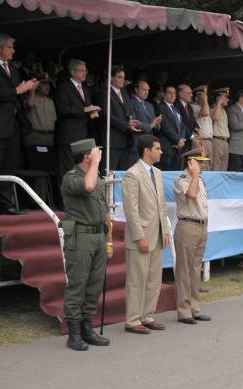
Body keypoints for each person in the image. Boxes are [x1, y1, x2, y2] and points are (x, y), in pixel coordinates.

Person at [60, 139, 112, 351]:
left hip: (98, 236)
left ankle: (87, 327)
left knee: (94, 285)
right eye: (95, 152)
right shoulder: (71, 178)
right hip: (80, 236)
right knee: (78, 285)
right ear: (87, 156)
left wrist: (108, 240)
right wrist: (95, 164)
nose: (99, 153)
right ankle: (73, 333)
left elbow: (106, 211)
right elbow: (88, 186)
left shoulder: (97, 178)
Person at [122, 135, 170, 334]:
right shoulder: (132, 174)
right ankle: (132, 320)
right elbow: (131, 210)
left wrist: (165, 231)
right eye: (157, 148)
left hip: (157, 234)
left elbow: (161, 206)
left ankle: (147, 315)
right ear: (146, 151)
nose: (161, 151)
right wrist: (139, 236)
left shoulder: (157, 173)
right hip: (140, 237)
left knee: (153, 279)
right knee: (136, 279)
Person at [0, 33, 38, 215]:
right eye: (9, 47)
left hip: (14, 124)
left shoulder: (14, 69)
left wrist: (27, 88)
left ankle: (5, 203)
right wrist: (16, 90)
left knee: (10, 164)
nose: (13, 50)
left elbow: (18, 94)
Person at [173, 149, 212, 324]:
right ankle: (184, 311)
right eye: (200, 162)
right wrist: (195, 175)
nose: (203, 165)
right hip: (187, 226)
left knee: (196, 269)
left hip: (201, 226)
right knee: (184, 270)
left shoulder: (200, 179)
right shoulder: (181, 180)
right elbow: (191, 195)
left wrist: (197, 176)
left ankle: (195, 308)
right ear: (191, 163)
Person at [55, 58, 100, 177]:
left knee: (81, 167)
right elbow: (62, 109)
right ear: (72, 71)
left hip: (82, 134)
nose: (85, 73)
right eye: (81, 71)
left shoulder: (85, 88)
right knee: (68, 168)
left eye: (86, 71)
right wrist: (84, 109)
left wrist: (92, 111)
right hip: (68, 134)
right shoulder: (63, 87)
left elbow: (86, 108)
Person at [100, 65, 140, 171]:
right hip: (112, 140)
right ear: (111, 78)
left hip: (125, 140)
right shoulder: (105, 93)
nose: (123, 80)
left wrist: (131, 121)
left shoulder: (124, 93)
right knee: (109, 172)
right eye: (119, 77)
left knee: (122, 174)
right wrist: (126, 125)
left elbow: (129, 110)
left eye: (123, 77)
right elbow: (106, 115)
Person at [129, 80, 162, 167]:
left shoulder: (150, 105)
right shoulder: (130, 103)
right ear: (136, 89)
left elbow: (154, 124)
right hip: (137, 144)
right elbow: (134, 123)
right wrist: (151, 125)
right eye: (144, 89)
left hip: (150, 145)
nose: (146, 92)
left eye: (148, 90)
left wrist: (157, 124)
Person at [156, 85, 186, 170]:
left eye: (174, 93)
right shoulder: (160, 107)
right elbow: (165, 126)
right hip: (167, 148)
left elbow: (182, 126)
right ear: (164, 94)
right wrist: (177, 140)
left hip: (178, 149)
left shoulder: (176, 109)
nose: (172, 95)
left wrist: (182, 139)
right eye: (169, 93)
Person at [191, 85, 213, 170]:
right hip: (200, 140)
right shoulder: (193, 106)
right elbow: (205, 112)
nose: (206, 97)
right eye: (204, 95)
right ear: (196, 98)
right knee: (201, 167)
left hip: (208, 141)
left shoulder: (204, 106)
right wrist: (204, 100)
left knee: (209, 167)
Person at [210, 87, 231, 171]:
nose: (228, 100)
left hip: (225, 141)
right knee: (216, 167)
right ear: (219, 97)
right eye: (225, 97)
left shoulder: (224, 111)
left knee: (223, 168)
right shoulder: (213, 108)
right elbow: (215, 117)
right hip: (217, 140)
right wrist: (219, 102)